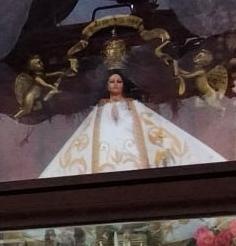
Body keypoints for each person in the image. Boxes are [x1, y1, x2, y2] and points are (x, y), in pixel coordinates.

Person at [40, 70, 224, 177]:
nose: (115, 84)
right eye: (111, 81)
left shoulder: (135, 108)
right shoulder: (99, 111)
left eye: (118, 81)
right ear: (106, 85)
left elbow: (158, 133)